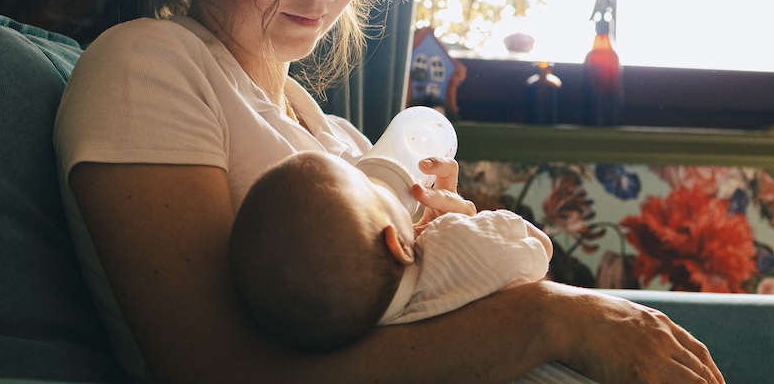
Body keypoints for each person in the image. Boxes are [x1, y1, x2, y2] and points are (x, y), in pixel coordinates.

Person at [53, 0, 726, 382]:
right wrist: (549, 317)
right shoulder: (146, 66)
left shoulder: (336, 139)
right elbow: (217, 367)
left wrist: (442, 249)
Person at [230, 150, 553, 352]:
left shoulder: (360, 333)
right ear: (398, 244)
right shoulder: (453, 239)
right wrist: (467, 222)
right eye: (372, 187)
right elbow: (541, 247)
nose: (379, 184)